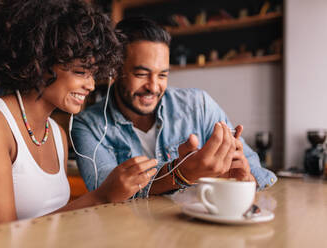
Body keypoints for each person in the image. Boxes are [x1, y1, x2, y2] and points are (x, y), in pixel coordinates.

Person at [0, 1, 157, 231]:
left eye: (93, 74)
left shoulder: (58, 135)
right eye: (80, 72)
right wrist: (101, 196)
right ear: (38, 62)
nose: (91, 85)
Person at [71, 17, 277, 198]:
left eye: (162, 75)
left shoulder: (199, 105)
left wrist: (246, 178)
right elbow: (105, 191)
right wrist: (180, 174)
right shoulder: (88, 125)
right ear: (114, 70)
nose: (153, 86)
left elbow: (255, 168)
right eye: (141, 74)